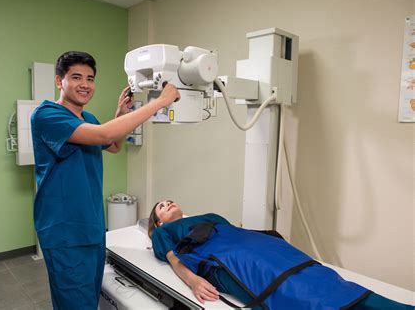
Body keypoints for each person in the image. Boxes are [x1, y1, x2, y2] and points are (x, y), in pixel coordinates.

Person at [30, 51, 180, 310]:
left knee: (89, 298)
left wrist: (120, 113)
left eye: (90, 78)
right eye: (76, 77)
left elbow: (113, 144)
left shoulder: (87, 118)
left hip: (92, 224)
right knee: (74, 303)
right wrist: (160, 102)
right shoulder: (46, 116)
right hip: (65, 229)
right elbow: (103, 135)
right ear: (59, 81)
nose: (85, 84)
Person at [148, 200, 413, 309]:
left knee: (320, 277)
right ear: (158, 222)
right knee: (295, 289)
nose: (168, 203)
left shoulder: (209, 215)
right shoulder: (165, 232)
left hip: (258, 244)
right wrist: (192, 280)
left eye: (169, 200)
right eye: (161, 206)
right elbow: (174, 258)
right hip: (235, 257)